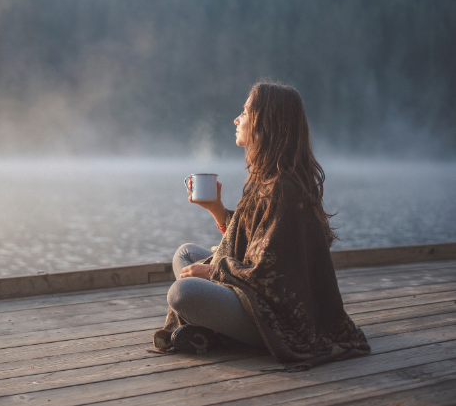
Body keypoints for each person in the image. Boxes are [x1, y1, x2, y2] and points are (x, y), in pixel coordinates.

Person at [153, 79, 371, 370]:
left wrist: (213, 271)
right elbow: (253, 241)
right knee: (186, 254)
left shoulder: (283, 187)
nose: (236, 119)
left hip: (278, 319)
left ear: (264, 122)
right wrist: (217, 209)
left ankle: (221, 332)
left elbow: (269, 274)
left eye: (244, 112)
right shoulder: (267, 177)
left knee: (182, 293)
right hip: (253, 293)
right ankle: (213, 327)